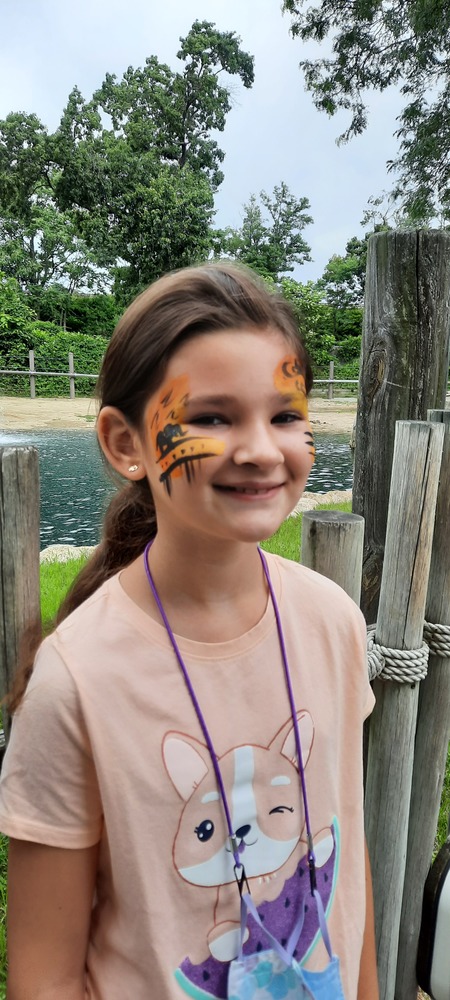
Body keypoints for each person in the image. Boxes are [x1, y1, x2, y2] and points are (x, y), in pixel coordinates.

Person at [0, 263, 378, 1000]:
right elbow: (43, 977)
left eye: (285, 415)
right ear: (124, 441)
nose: (262, 450)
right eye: (211, 417)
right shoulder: (79, 680)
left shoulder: (332, 622)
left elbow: (347, 853)